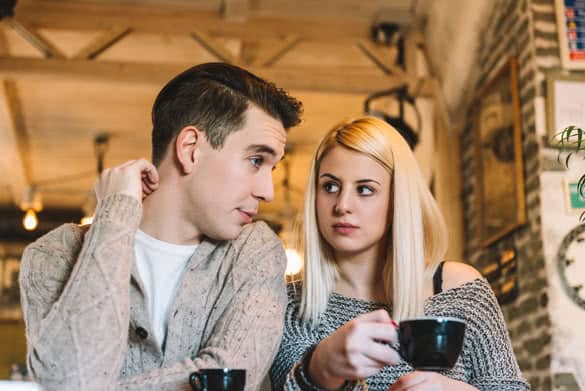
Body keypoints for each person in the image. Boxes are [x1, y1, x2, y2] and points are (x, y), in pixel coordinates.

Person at [19, 62, 303, 390]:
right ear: (190, 150)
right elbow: (70, 379)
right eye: (256, 161)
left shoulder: (255, 251)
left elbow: (231, 375)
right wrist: (115, 215)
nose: (267, 190)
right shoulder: (52, 255)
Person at [270, 117, 530, 390]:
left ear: (398, 200)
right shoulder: (290, 303)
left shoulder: (458, 288)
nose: (342, 205)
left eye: (365, 189)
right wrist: (321, 367)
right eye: (330, 187)